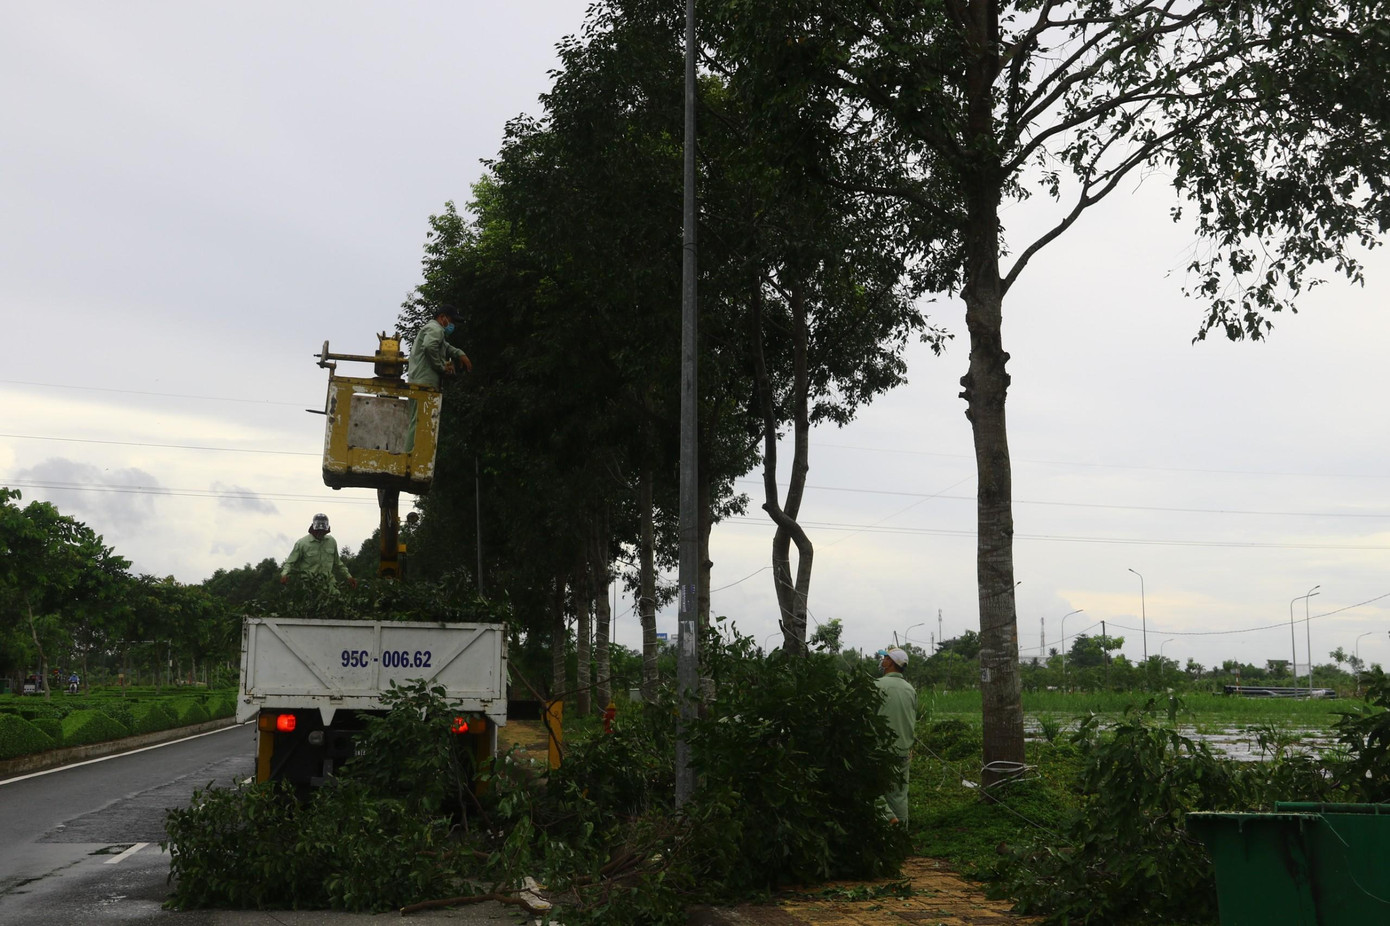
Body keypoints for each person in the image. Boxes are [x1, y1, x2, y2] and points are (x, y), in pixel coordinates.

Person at [405, 305, 471, 452]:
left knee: (417, 421)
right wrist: (441, 367)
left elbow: (445, 346)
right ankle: (410, 458)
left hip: (418, 380)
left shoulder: (431, 329)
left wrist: (459, 353)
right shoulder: (436, 329)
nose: (453, 325)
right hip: (424, 383)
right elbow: (429, 347)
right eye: (452, 321)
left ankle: (412, 456)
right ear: (442, 318)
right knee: (420, 422)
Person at [874, 646, 916, 825]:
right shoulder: (910, 689)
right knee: (899, 795)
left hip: (881, 751)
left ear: (890, 662)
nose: (882, 661)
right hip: (904, 751)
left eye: (885, 658)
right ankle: (901, 834)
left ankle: (889, 819)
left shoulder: (877, 685)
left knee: (870, 789)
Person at [280, 513, 357, 589]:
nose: (320, 533)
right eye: (318, 530)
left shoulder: (331, 541)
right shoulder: (302, 543)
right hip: (309, 584)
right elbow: (290, 562)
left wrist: (349, 577)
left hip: (328, 583)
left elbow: (338, 562)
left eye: (323, 531)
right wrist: (284, 574)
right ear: (313, 528)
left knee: (337, 595)